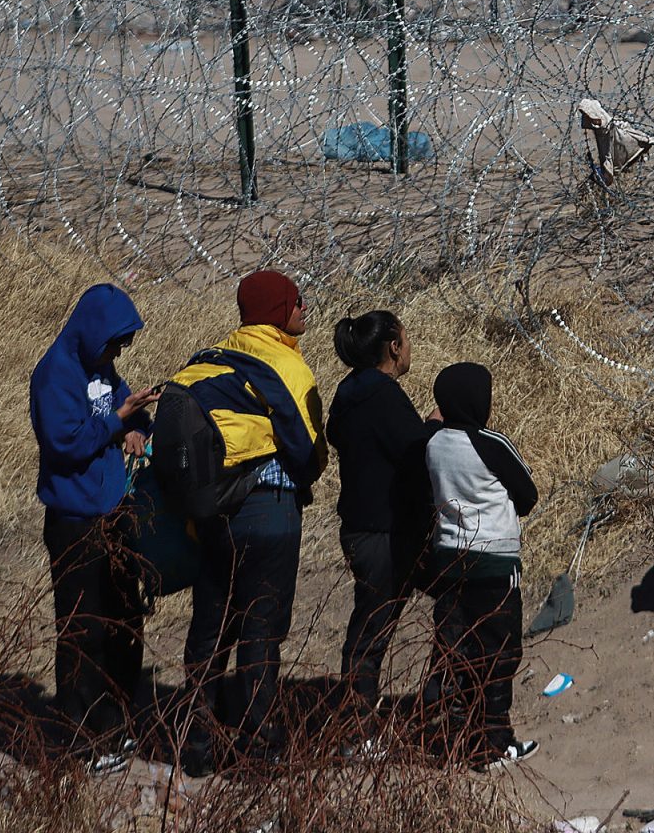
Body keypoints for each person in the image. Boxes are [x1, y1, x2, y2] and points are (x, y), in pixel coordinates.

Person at [172, 270, 326, 775]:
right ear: (279, 311)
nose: (304, 308)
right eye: (296, 301)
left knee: (211, 629)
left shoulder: (207, 361)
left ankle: (195, 745)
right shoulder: (286, 364)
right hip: (268, 514)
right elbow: (309, 453)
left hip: (214, 517)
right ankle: (259, 746)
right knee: (261, 631)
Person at [31, 284, 160, 773]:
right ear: (91, 333)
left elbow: (128, 411)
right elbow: (64, 442)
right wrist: (116, 423)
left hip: (116, 512)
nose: (117, 353)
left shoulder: (102, 371)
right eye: (113, 343)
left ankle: (117, 724)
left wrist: (135, 427)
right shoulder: (55, 375)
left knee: (124, 620)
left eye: (122, 346)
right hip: (76, 521)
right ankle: (82, 740)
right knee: (84, 630)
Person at [415, 362, 539, 770]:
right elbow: (527, 493)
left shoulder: (433, 444)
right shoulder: (490, 443)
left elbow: (429, 434)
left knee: (457, 651)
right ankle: (494, 743)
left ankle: (455, 738)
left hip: (448, 563)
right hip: (495, 564)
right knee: (499, 653)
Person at [325, 310, 429, 754]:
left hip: (361, 527)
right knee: (371, 631)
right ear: (392, 347)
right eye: (406, 339)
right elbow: (415, 451)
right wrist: (436, 428)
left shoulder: (349, 392)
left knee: (370, 626)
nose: (409, 347)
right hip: (384, 532)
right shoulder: (384, 396)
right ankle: (357, 733)